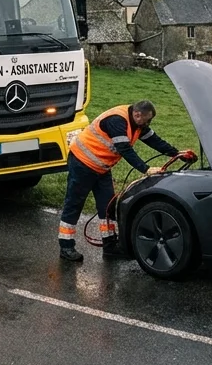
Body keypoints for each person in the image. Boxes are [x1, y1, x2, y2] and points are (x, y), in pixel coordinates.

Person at [57, 100, 196, 262]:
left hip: (102, 167)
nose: (148, 124)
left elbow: (154, 141)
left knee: (108, 206)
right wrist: (146, 169)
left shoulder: (138, 124)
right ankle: (66, 246)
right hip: (82, 163)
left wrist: (177, 154)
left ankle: (110, 246)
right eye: (147, 120)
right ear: (137, 115)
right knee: (74, 203)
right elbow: (125, 149)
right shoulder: (117, 121)